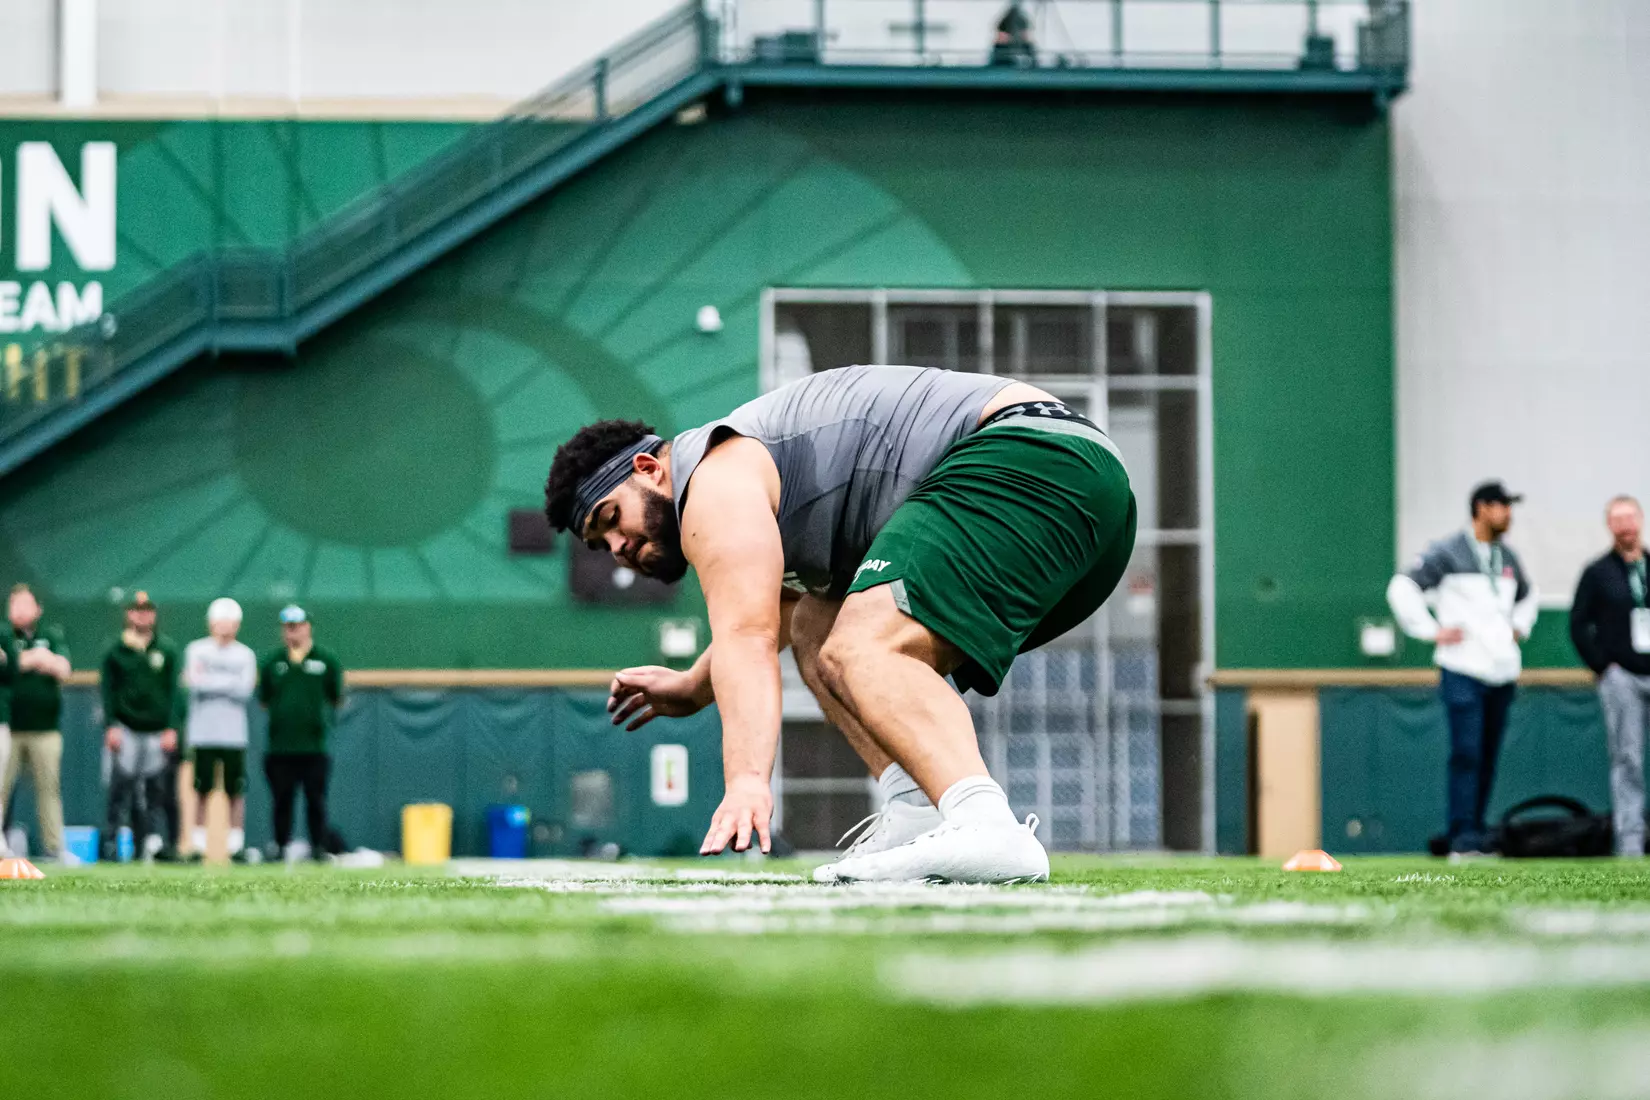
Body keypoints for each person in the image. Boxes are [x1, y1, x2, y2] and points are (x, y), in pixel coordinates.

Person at [544, 364, 1137, 883]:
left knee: (863, 647)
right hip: (1086, 512)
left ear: (649, 468)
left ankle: (982, 820)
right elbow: (769, 616)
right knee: (818, 627)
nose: (620, 547)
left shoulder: (712, 483)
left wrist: (749, 781)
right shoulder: (744, 481)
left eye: (611, 519)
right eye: (602, 544)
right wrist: (694, 685)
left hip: (1038, 462)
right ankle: (916, 813)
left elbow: (747, 639)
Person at [1387, 481, 1539, 855]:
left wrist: (1520, 626)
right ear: (1482, 508)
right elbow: (1402, 587)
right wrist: (1430, 630)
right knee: (1466, 752)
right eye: (1503, 506)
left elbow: (1528, 596)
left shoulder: (1508, 559)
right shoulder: (1448, 552)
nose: (1508, 515)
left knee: (1487, 754)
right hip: (1462, 670)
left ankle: (1477, 829)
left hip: (1500, 671)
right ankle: (1461, 834)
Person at [1569, 495, 1650, 857]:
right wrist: (1605, 667)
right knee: (1627, 759)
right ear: (1608, 525)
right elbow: (1578, 624)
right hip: (1623, 678)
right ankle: (1630, 842)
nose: (1625, 525)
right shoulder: (1597, 572)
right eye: (1617, 519)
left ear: (1641, 520)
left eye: (1630, 517)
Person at [100, 591, 185, 862]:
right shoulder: (116, 649)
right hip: (126, 728)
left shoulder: (167, 649)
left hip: (156, 732)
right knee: (120, 791)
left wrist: (172, 728)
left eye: (147, 610)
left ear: (154, 614)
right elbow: (107, 690)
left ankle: (145, 847)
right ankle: (112, 845)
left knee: (154, 794)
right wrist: (111, 725)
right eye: (137, 610)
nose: (142, 615)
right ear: (128, 614)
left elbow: (175, 692)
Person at [259, 605, 344, 862]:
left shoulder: (325, 660)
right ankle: (280, 845)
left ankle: (318, 846)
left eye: (298, 626)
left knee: (315, 799)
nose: (293, 632)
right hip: (280, 746)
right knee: (281, 800)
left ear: (308, 627)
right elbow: (264, 700)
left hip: (314, 746)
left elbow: (336, 697)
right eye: (288, 627)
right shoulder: (272, 662)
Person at [183, 597, 258, 861]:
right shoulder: (196, 649)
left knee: (235, 791)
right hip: (203, 734)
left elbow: (245, 689)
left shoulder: (245, 654)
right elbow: (195, 683)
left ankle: (235, 846)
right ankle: (198, 846)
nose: (224, 627)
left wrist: (212, 681)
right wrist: (228, 682)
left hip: (233, 736)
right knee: (201, 790)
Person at [0, 585, 71, 861]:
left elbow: (64, 668)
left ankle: (54, 849)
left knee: (49, 790)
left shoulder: (50, 635)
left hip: (45, 728)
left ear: (37, 609)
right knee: (1, 789)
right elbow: (10, 663)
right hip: (9, 725)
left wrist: (45, 658)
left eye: (25, 604)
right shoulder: (5, 633)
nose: (19, 610)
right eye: (14, 604)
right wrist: (36, 659)